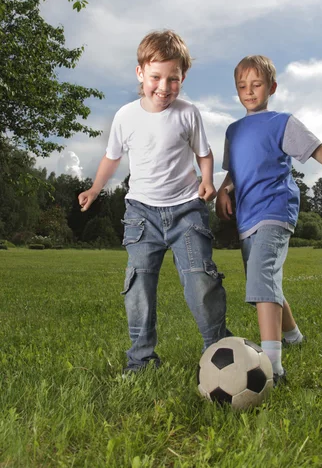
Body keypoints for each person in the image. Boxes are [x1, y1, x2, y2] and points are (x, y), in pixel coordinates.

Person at [216, 55, 322, 385]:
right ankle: (293, 338)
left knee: (261, 278)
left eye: (256, 85)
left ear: (272, 87)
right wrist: (223, 190)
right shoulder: (233, 131)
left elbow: (319, 150)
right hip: (247, 217)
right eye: (242, 86)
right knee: (264, 283)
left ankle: (272, 369)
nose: (249, 91)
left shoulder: (282, 122)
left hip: (276, 210)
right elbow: (236, 171)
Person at [78, 30, 229, 373]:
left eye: (172, 79)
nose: (164, 87)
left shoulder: (188, 113)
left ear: (183, 78)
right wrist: (95, 189)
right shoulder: (125, 116)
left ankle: (219, 352)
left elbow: (204, 155)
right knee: (138, 287)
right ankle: (141, 359)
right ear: (140, 74)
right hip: (142, 215)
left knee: (200, 281)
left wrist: (207, 180)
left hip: (187, 211)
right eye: (156, 77)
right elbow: (111, 158)